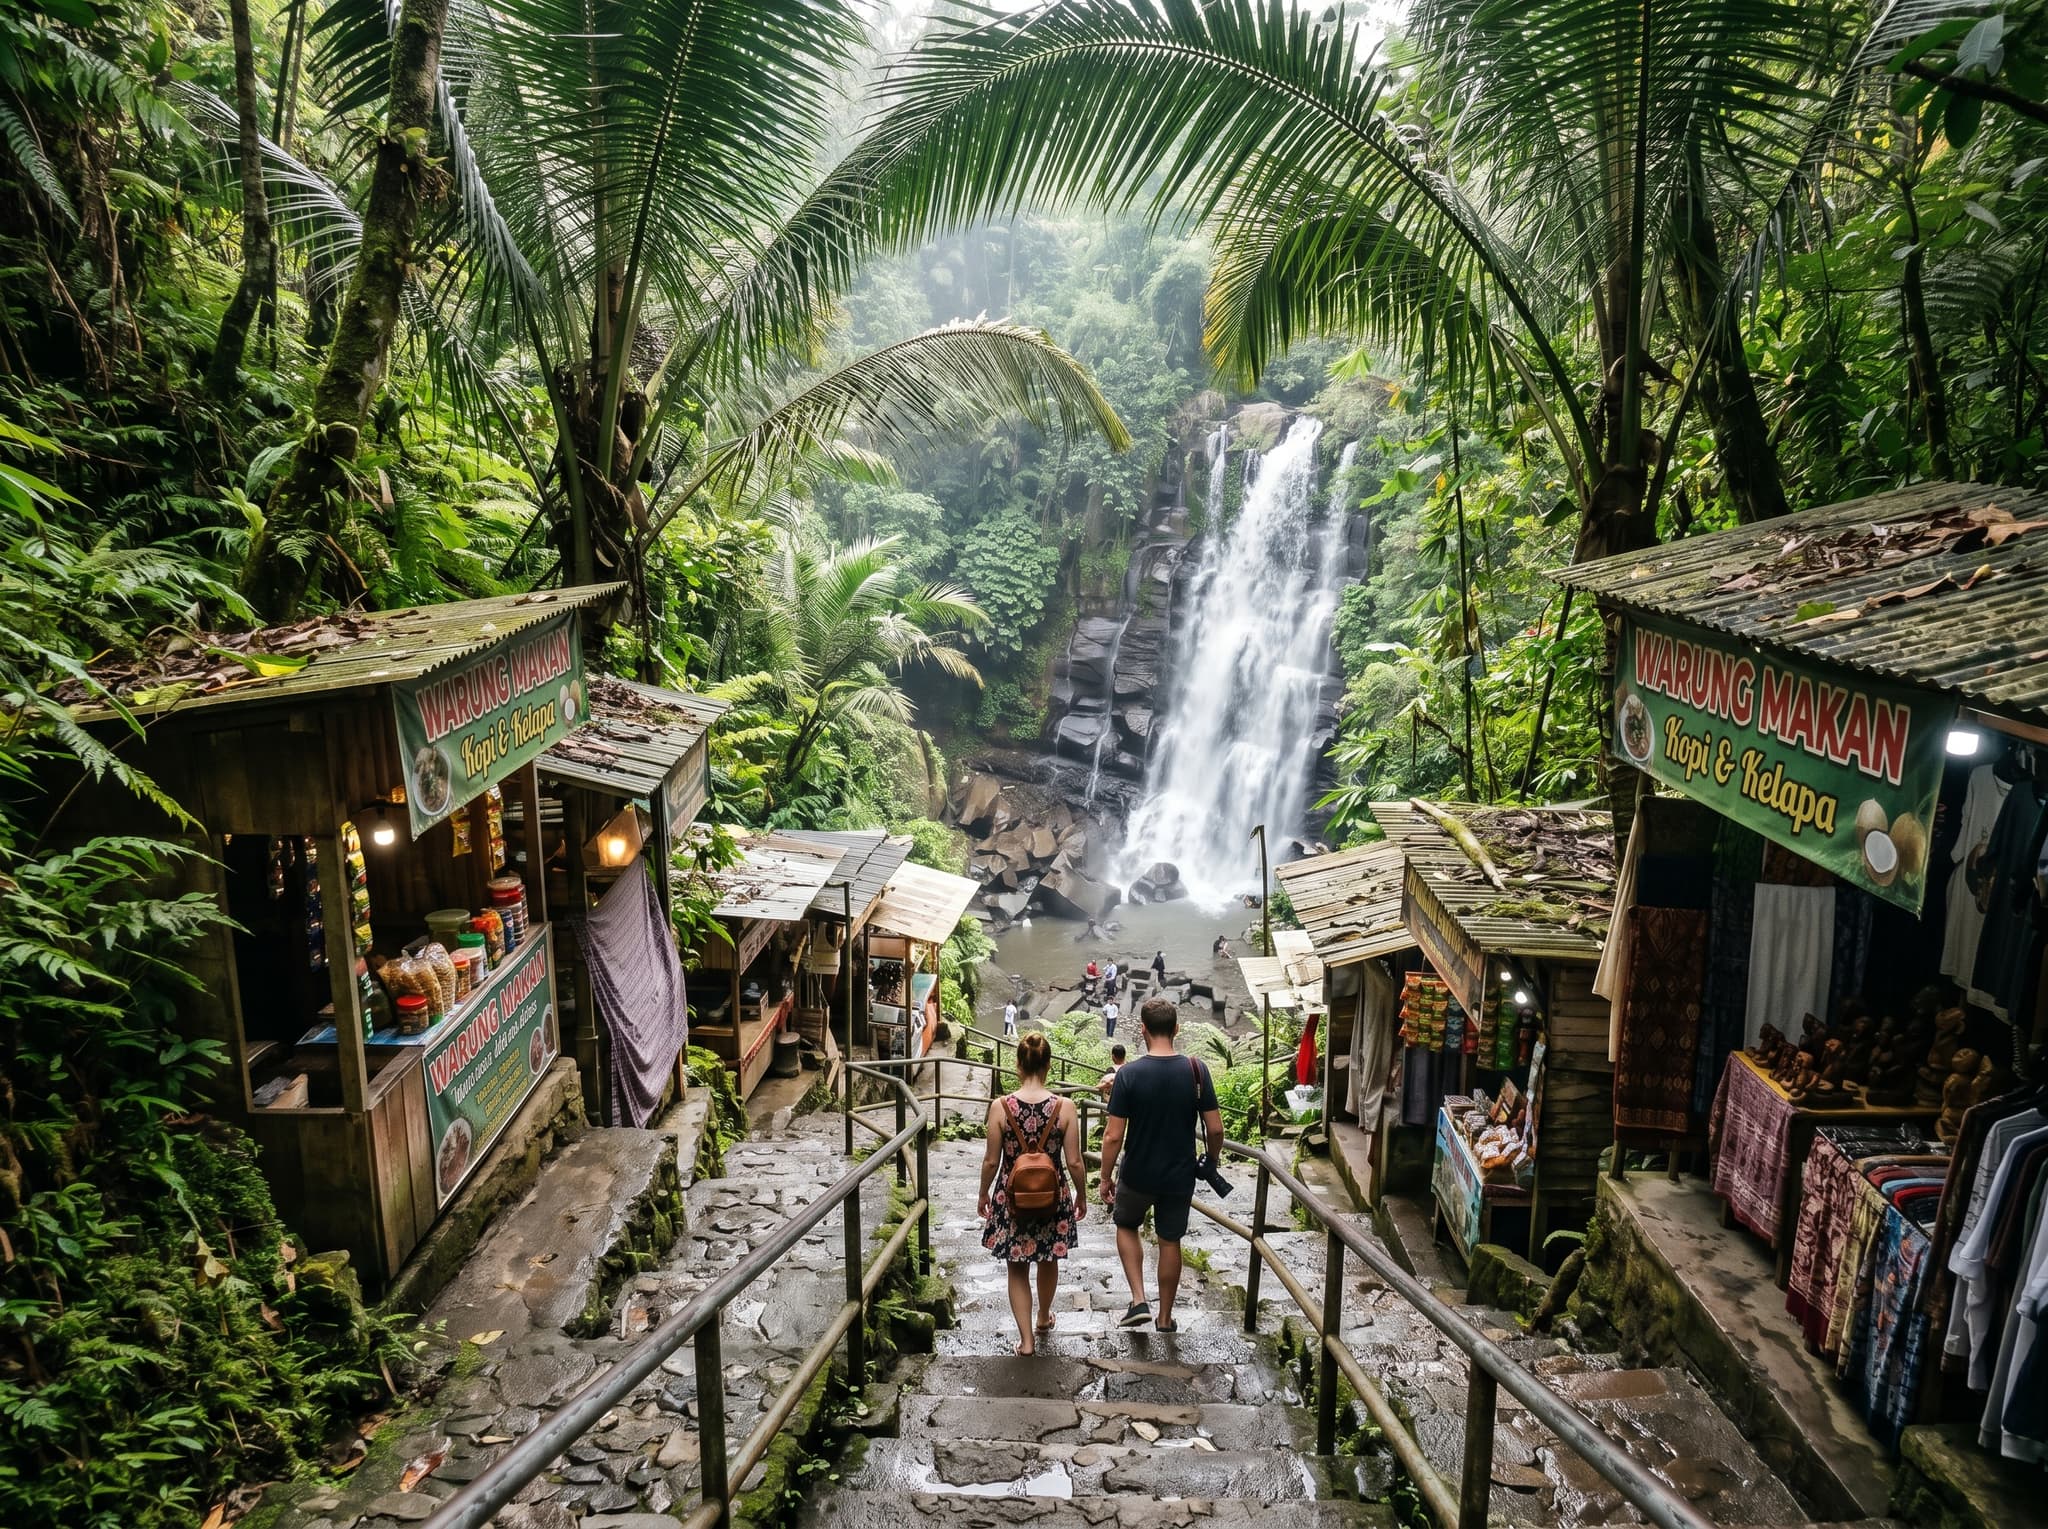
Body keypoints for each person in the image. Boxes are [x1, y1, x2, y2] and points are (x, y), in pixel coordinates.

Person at [1100, 998, 1224, 1332]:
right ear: (1176, 1029)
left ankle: (1138, 1298)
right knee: (1170, 1241)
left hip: (1137, 1172)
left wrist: (1105, 1176)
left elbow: (1113, 1136)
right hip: (1179, 1174)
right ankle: (1165, 1318)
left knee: (1126, 1226)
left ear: (1142, 1030)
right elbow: (1215, 1128)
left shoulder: (1128, 1075)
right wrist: (1210, 1162)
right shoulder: (1196, 1070)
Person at [977, 1032, 1086, 1355]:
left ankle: (1026, 1341)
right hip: (1053, 1198)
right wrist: (1082, 1194)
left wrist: (983, 1193)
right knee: (1049, 1256)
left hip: (1012, 1199)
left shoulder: (1000, 1107)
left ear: (1018, 1066)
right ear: (1049, 1065)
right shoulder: (1064, 1107)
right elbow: (1075, 1161)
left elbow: (991, 1160)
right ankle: (1042, 1316)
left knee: (1017, 1266)